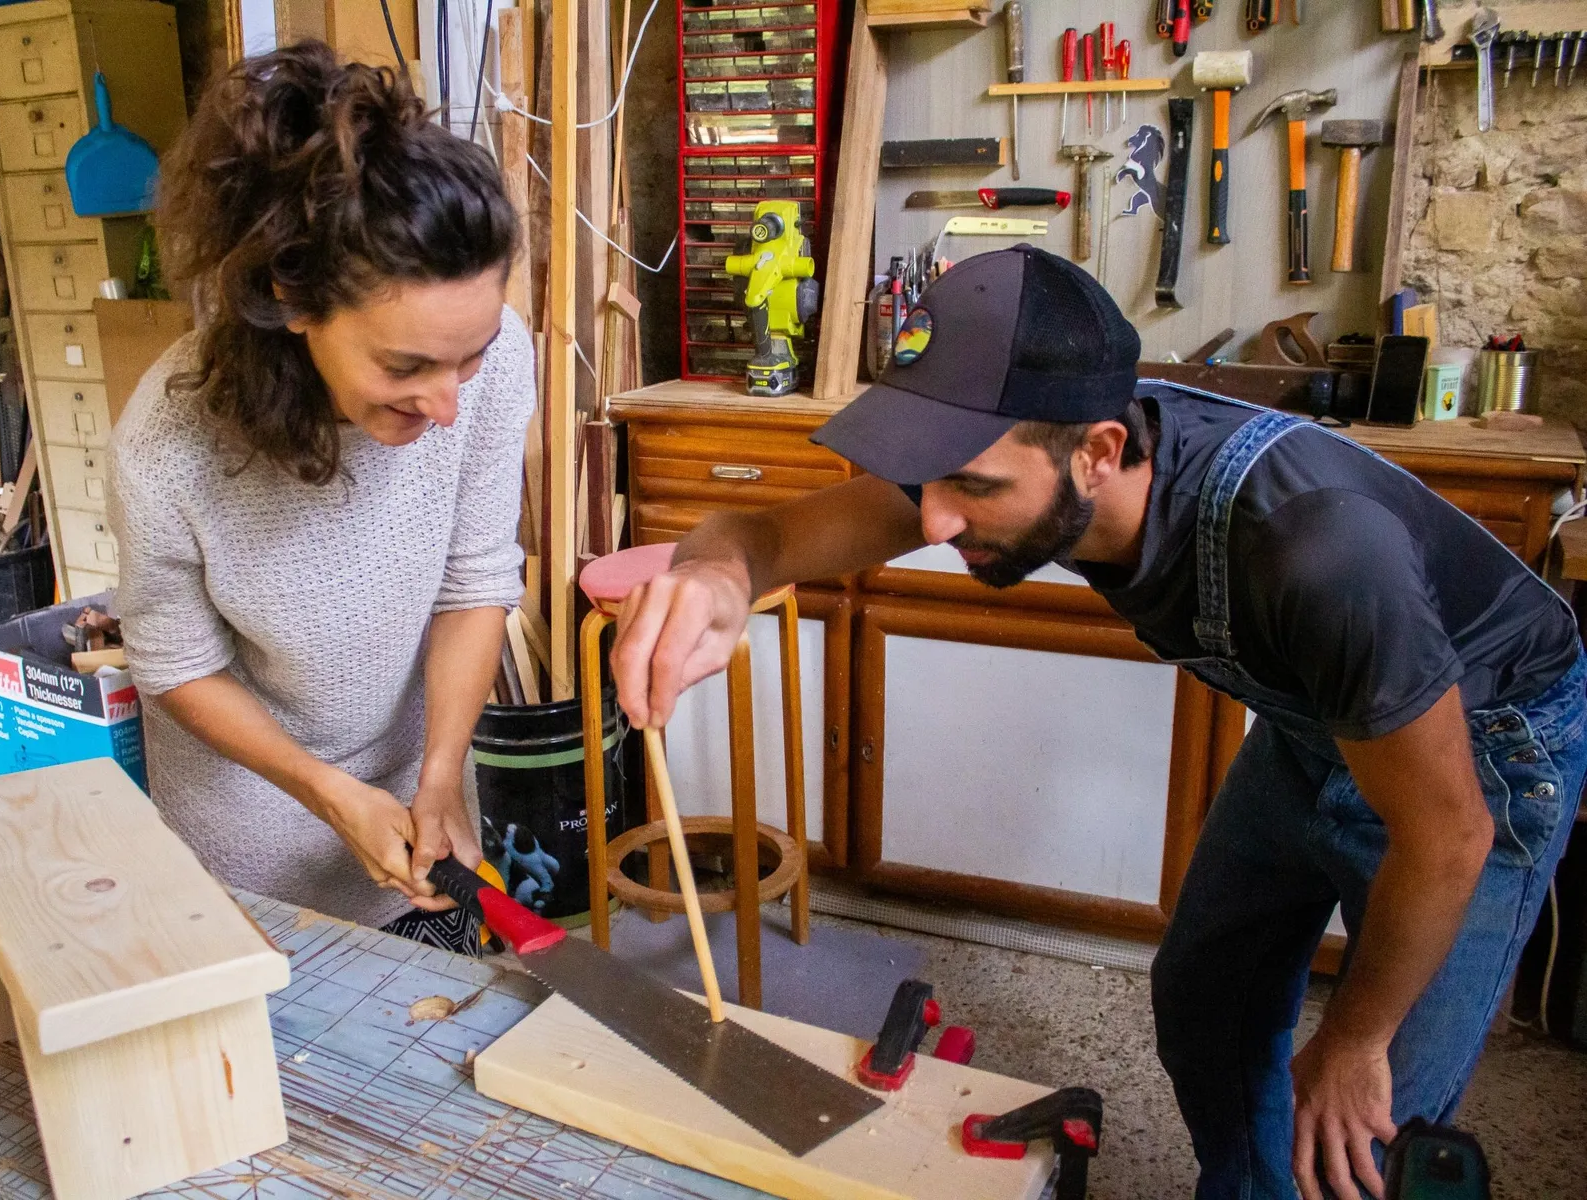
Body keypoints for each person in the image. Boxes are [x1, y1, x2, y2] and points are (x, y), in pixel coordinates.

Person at [610, 245, 1584, 1200]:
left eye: (975, 487)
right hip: (1318, 718)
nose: (935, 523)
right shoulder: (1016, 447)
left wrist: (1359, 1038)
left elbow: (1449, 833)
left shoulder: (1318, 552)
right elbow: (772, 535)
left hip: (1487, 752)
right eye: (932, 478)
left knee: (1361, 1136)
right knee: (1207, 999)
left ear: (1100, 452)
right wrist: (714, 573)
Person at [107, 44, 531, 952]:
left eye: (473, 354)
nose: (450, 402)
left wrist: (444, 775)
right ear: (292, 297)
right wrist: (327, 792)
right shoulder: (168, 443)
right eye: (405, 366)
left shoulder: (495, 367)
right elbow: (175, 662)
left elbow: (476, 578)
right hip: (248, 850)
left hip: (428, 822)